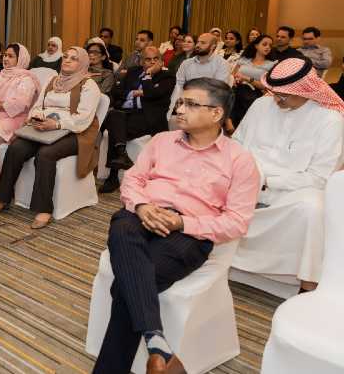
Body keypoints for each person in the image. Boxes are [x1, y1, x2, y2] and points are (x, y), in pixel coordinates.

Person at [92, 78, 260, 374]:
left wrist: (183, 222)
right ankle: (156, 342)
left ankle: (151, 348)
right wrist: (142, 206)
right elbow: (133, 180)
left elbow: (236, 222)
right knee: (121, 224)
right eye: (180, 102)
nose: (179, 109)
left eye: (191, 104)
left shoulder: (240, 160)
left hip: (189, 233)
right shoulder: (161, 141)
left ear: (216, 113)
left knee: (126, 286)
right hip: (142, 214)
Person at [232, 58, 344, 293]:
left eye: (284, 96)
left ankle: (307, 284)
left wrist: (266, 181)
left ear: (306, 90)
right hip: (244, 183)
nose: (276, 100)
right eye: (274, 93)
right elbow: (237, 143)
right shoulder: (261, 105)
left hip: (290, 194)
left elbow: (320, 177)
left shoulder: (329, 120)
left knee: (312, 208)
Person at [0, 47, 101, 229]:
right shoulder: (52, 80)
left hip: (75, 133)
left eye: (73, 59)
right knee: (16, 148)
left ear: (82, 64)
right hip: (44, 127)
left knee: (45, 154)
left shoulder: (89, 85)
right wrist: (37, 117)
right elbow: (37, 105)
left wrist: (56, 124)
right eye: (65, 57)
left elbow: (83, 119)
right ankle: (3, 197)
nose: (67, 60)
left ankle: (44, 208)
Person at [100, 47, 176, 193]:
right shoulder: (133, 72)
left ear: (161, 61)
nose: (152, 62)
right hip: (127, 113)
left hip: (149, 117)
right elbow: (116, 91)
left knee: (116, 129)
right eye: (148, 59)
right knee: (114, 115)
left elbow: (153, 93)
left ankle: (113, 175)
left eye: (156, 59)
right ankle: (121, 154)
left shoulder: (168, 76)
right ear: (141, 62)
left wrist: (147, 76)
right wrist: (133, 94)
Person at [0, 44, 39, 206]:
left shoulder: (26, 79)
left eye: (11, 56)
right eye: (5, 55)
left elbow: (21, 103)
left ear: (21, 59)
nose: (5, 58)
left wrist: (0, 104)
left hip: (16, 119)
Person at [168, 33, 230, 118]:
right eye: (198, 42)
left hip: (208, 106)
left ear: (213, 47)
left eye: (203, 43)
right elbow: (178, 87)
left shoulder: (222, 64)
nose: (198, 45)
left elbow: (219, 90)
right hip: (186, 103)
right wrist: (172, 109)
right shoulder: (186, 63)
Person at [230, 34, 277, 126]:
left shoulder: (271, 64)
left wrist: (247, 79)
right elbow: (232, 75)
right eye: (264, 44)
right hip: (237, 89)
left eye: (270, 45)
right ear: (256, 46)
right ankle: (231, 122)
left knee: (243, 93)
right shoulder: (244, 59)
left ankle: (233, 123)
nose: (268, 47)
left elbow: (265, 86)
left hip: (256, 93)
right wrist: (235, 80)